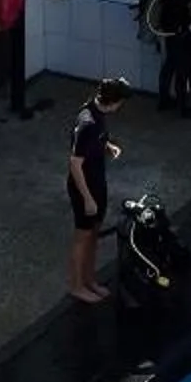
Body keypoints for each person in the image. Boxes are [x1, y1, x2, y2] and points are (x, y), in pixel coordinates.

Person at [66, 77, 125, 303]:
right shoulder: (87, 122)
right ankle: (76, 285)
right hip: (85, 188)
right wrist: (87, 198)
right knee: (82, 237)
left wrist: (108, 146)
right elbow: (74, 163)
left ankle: (89, 279)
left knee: (94, 235)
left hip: (98, 182)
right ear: (114, 101)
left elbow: (98, 138)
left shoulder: (98, 112)